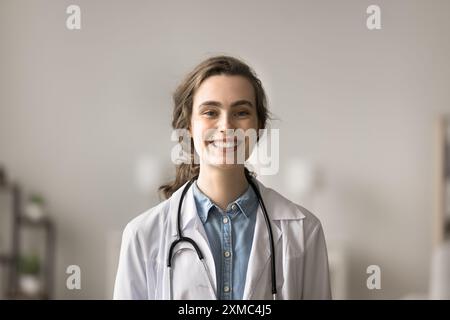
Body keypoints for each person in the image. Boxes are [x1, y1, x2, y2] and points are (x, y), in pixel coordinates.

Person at [113, 55, 331, 300]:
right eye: (210, 112)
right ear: (188, 128)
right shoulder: (142, 235)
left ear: (259, 127)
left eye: (241, 112)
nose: (226, 126)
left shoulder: (304, 231)